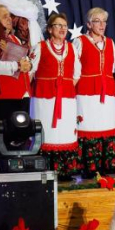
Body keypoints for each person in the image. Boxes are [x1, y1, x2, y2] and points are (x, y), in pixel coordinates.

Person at [28, 13, 81, 178]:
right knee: (47, 130)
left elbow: (77, 73)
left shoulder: (71, 47)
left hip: (66, 98)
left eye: (65, 26)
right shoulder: (40, 47)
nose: (63, 29)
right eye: (58, 25)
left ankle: (65, 170)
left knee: (65, 131)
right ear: (50, 29)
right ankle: (45, 169)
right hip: (44, 98)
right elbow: (30, 71)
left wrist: (63, 87)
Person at [73, 8, 115, 176]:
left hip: (106, 92)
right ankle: (88, 168)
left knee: (105, 126)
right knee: (88, 126)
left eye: (104, 21)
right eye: (97, 21)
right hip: (86, 92)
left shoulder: (110, 42)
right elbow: (73, 67)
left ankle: (106, 166)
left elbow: (111, 68)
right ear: (89, 24)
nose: (102, 25)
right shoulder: (80, 41)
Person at [0, 4, 32, 128]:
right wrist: (18, 66)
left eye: (9, 16)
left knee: (20, 134)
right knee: (4, 136)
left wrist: (28, 65)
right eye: (4, 17)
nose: (9, 19)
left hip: (22, 94)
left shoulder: (15, 38)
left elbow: (24, 61)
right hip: (4, 96)